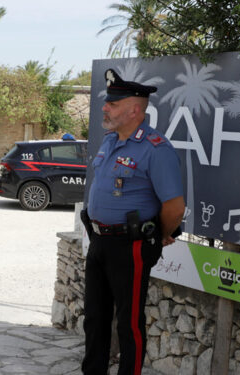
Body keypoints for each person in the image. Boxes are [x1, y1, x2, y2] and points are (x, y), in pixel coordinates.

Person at [81, 69, 185, 375]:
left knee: (129, 323)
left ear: (134, 110)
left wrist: (162, 234)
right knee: (95, 318)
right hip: (98, 241)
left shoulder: (156, 148)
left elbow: (175, 206)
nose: (105, 108)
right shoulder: (110, 142)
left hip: (131, 245)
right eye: (107, 103)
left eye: (113, 104)